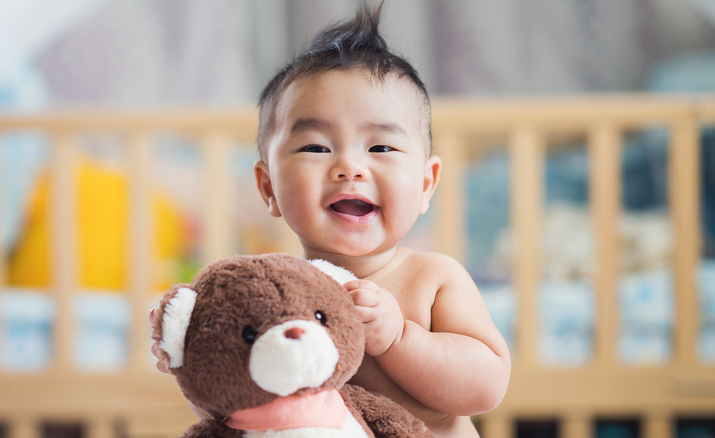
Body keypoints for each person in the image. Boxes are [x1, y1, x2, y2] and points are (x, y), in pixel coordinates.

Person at [152, 2, 510, 436]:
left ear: (425, 184)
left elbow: (485, 386)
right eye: (316, 148)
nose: (350, 167)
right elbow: (248, 389)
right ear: (269, 188)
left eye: (381, 148)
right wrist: (198, 350)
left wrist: (399, 340)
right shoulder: (278, 291)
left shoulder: (433, 279)